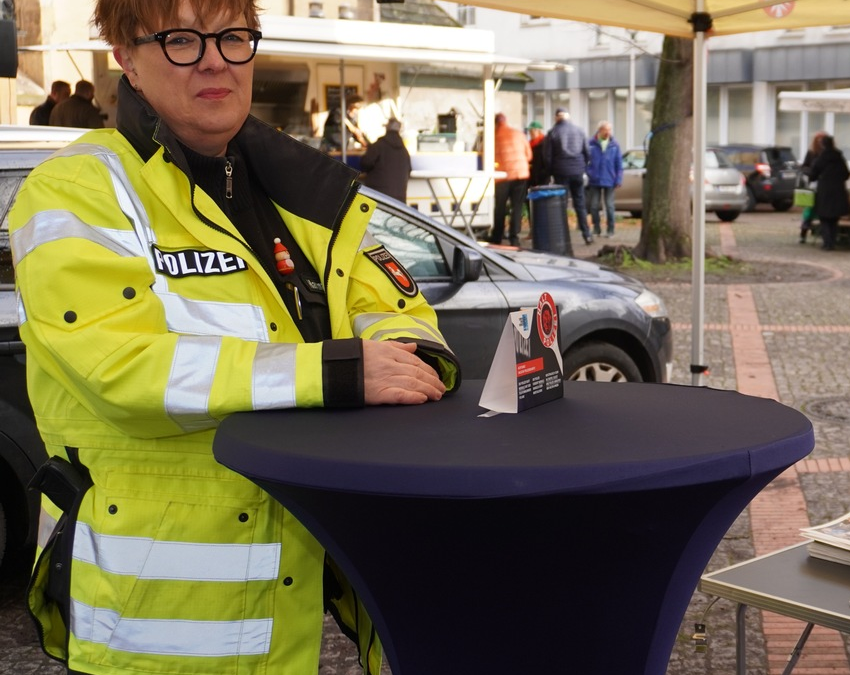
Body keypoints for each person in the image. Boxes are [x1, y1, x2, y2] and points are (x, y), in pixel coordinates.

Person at [10, 1, 460, 674]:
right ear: (127, 59)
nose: (215, 60)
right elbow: (123, 368)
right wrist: (337, 373)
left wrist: (410, 359)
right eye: (182, 39)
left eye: (232, 36)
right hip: (150, 622)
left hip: (286, 595)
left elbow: (393, 305)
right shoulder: (77, 190)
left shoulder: (299, 191)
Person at [543, 107, 592, 243]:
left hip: (561, 172)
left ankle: (562, 237)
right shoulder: (580, 131)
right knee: (580, 203)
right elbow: (587, 152)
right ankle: (587, 234)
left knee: (561, 204)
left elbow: (547, 156)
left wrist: (550, 172)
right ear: (568, 117)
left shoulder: (553, 132)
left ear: (556, 118)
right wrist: (583, 167)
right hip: (577, 172)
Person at [490, 112, 532, 246]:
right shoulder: (518, 134)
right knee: (517, 206)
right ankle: (514, 238)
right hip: (520, 174)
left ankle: (497, 236)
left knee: (500, 207)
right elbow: (529, 155)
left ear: (495, 123)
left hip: (502, 176)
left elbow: (486, 157)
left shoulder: (492, 136)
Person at [804, 134, 850, 251]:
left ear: (823, 144)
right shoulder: (839, 158)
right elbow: (846, 174)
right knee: (834, 219)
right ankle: (832, 242)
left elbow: (813, 175)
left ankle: (827, 243)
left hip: (824, 191)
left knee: (824, 218)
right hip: (838, 190)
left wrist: (808, 173)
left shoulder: (821, 158)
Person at [585, 120, 623, 238]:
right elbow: (585, 160)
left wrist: (618, 179)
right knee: (594, 206)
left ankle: (611, 230)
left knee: (610, 206)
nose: (608, 132)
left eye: (609, 130)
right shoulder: (591, 143)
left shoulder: (615, 145)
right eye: (606, 130)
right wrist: (589, 172)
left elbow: (619, 164)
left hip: (610, 179)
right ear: (600, 130)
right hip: (595, 179)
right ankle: (596, 229)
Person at [361, 117, 412, 203]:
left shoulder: (378, 146)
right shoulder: (404, 151)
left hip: (379, 198)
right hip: (400, 200)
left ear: (387, 128)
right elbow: (409, 170)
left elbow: (365, 164)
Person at [798, 130, 827, 244]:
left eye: (822, 139)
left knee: (823, 211)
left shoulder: (828, 153)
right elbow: (804, 167)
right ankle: (803, 233)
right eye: (818, 139)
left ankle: (823, 235)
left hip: (825, 186)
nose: (820, 141)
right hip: (813, 185)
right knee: (809, 210)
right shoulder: (811, 153)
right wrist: (811, 173)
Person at [527, 120, 549, 187]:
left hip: (542, 174)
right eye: (530, 131)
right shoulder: (530, 143)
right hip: (532, 173)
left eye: (532, 131)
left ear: (539, 131)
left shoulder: (545, 142)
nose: (530, 133)